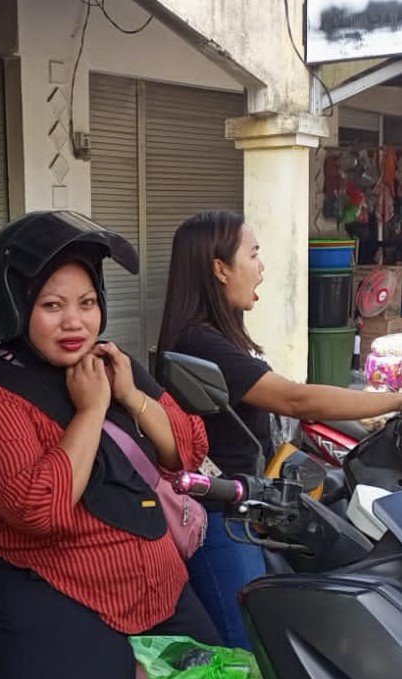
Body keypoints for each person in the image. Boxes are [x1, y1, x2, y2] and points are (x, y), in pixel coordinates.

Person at [0, 210, 220, 679]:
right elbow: (39, 507)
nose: (75, 322)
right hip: (50, 590)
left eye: (88, 302)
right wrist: (91, 411)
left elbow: (188, 451)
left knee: (223, 670)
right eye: (52, 306)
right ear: (15, 306)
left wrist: (131, 395)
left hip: (157, 588)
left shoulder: (114, 366)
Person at [156, 209, 402, 650]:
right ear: (219, 267)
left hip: (249, 507)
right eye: (253, 254)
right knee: (253, 651)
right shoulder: (199, 341)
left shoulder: (221, 335)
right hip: (218, 519)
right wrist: (394, 400)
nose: (262, 267)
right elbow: (294, 398)